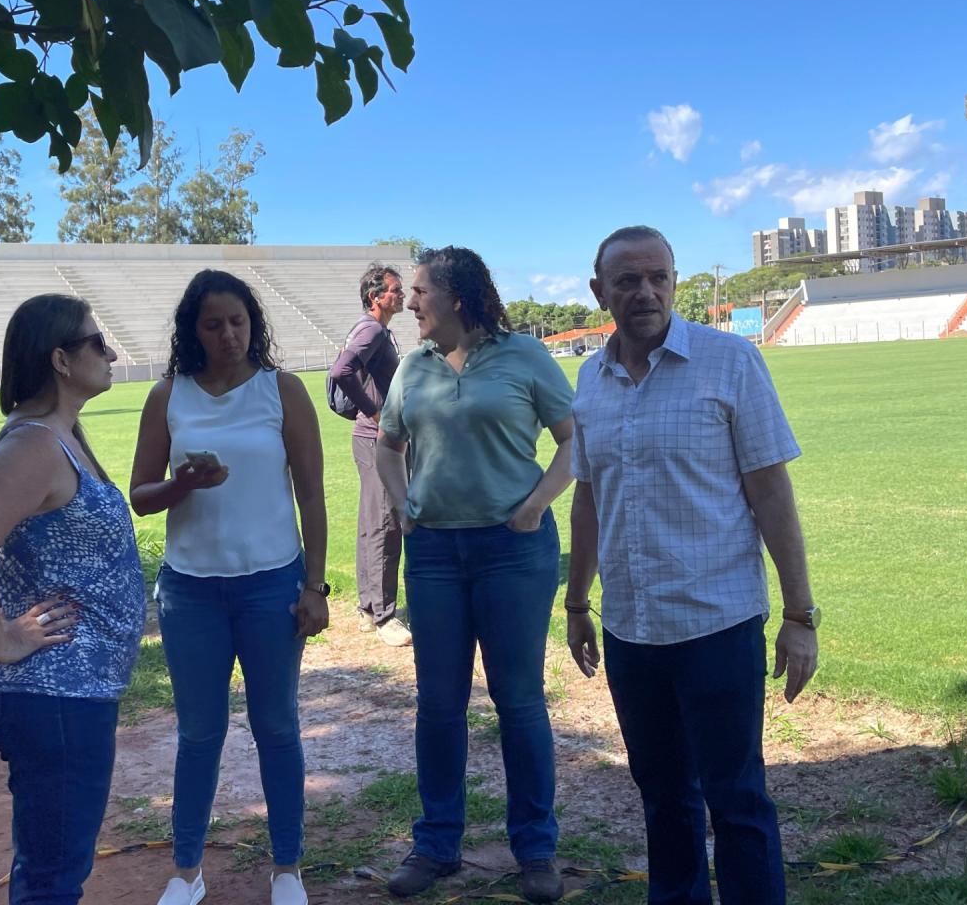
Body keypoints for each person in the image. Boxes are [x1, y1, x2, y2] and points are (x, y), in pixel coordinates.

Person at [565, 226, 818, 905]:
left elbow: (771, 493)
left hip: (718, 624)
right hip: (631, 631)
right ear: (601, 292)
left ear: (674, 282)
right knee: (664, 801)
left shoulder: (730, 362)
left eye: (658, 277)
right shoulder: (590, 379)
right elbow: (587, 499)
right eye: (627, 280)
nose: (645, 292)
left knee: (737, 800)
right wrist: (577, 602)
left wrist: (799, 616)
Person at [0, 294, 146, 905]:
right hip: (52, 692)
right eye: (97, 342)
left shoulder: (61, 436)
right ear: (60, 358)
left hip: (70, 692)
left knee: (53, 863)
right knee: (53, 877)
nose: (110, 353)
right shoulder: (34, 446)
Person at [376, 247, 575, 903]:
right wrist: (403, 504)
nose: (409, 302)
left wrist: (536, 504)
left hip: (513, 552)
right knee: (438, 705)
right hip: (433, 555)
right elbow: (387, 444)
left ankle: (536, 850)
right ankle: (436, 844)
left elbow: (574, 439)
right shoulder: (413, 366)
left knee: (518, 702)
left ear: (457, 297)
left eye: (420, 291)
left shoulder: (524, 357)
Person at [130, 269, 329, 905]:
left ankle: (288, 868)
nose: (227, 334)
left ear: (254, 324)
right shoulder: (169, 395)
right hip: (190, 590)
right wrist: (183, 484)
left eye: (238, 321)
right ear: (193, 330)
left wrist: (315, 585)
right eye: (212, 324)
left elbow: (312, 493)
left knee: (277, 727)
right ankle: (187, 871)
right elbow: (140, 495)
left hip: (272, 584)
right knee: (199, 733)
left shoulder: (283, 390)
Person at [328, 263, 411, 646]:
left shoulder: (376, 329)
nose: (402, 294)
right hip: (377, 440)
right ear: (376, 297)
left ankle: (368, 608)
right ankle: (383, 615)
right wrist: (376, 414)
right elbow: (343, 370)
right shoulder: (372, 329)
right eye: (395, 290)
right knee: (385, 522)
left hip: (372, 438)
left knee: (373, 521)